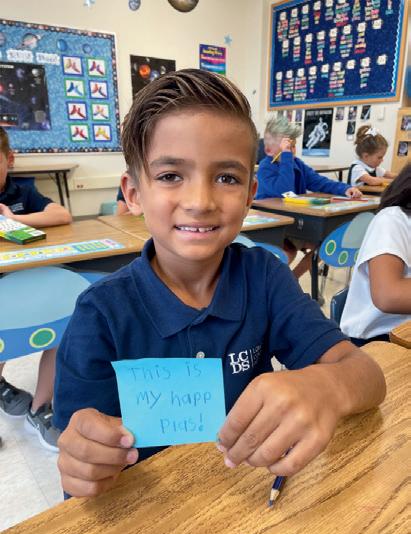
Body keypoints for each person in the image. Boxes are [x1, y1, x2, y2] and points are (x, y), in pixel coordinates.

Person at [53, 69, 386, 499]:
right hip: (148, 510)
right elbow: (80, 462)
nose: (200, 202)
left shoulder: (264, 278)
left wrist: (325, 386)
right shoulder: (100, 314)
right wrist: (83, 462)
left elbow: (368, 376)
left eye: (226, 178)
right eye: (170, 175)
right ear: (133, 193)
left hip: (246, 502)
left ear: (249, 193)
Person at [0, 126, 72, 451]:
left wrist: (16, 220)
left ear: (9, 160)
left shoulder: (22, 192)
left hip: (30, 285)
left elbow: (61, 214)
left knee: (61, 323)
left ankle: (41, 406)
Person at [256, 117, 363, 278]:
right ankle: (275, 283)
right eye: (287, 148)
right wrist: (286, 157)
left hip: (295, 224)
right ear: (269, 151)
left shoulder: (297, 164)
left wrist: (346, 189)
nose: (291, 151)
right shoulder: (265, 167)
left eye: (293, 146)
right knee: (288, 253)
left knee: (322, 247)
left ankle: (293, 278)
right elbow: (284, 190)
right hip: (273, 227)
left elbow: (319, 182)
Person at [341, 164, 411, 345]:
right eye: (379, 156)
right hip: (379, 338)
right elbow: (388, 296)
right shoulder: (393, 220)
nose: (379, 161)